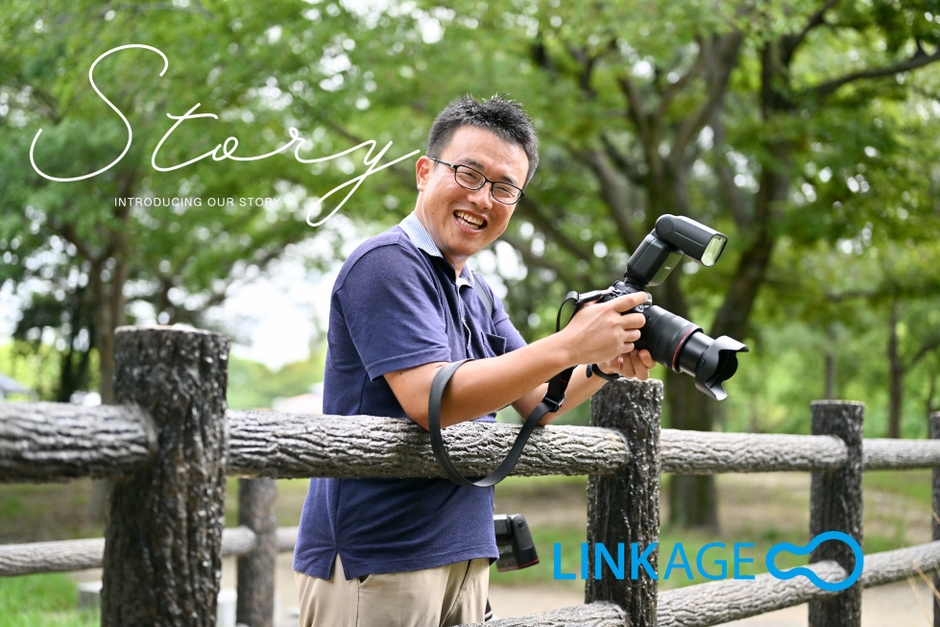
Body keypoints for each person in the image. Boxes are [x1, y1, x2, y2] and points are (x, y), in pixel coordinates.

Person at [292, 93, 655, 627]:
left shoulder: (477, 290)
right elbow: (429, 399)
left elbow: (540, 400)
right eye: (468, 173)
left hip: (463, 555)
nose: (483, 198)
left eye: (505, 188)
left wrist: (602, 361)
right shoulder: (386, 264)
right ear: (424, 172)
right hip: (379, 557)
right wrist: (572, 343)